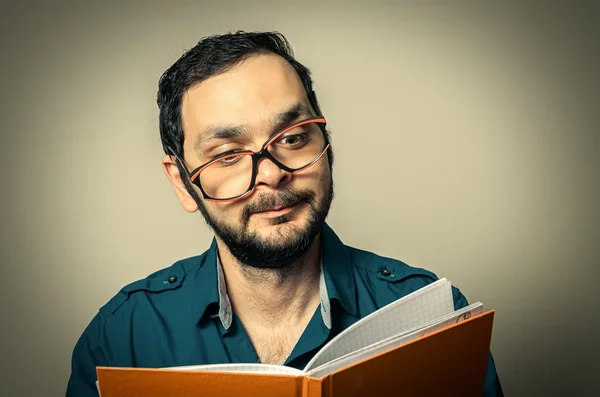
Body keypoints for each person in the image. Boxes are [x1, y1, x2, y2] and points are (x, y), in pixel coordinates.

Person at [66, 31, 503, 396]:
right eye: (228, 155)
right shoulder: (121, 336)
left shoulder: (433, 320)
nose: (272, 174)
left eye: (293, 138)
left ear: (327, 144)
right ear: (182, 182)